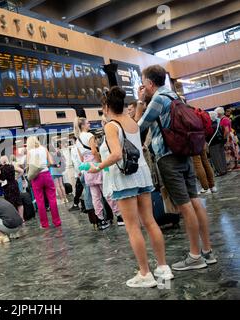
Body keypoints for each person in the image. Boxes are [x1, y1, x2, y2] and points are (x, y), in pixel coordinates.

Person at [134, 64, 217, 271]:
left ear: (150, 83)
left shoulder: (158, 100)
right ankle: (207, 250)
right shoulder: (174, 96)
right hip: (185, 154)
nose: (143, 87)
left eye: (144, 83)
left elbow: (137, 127)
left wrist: (139, 102)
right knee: (195, 200)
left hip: (168, 157)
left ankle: (195, 256)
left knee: (184, 205)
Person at [89, 86, 172, 288]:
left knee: (133, 227)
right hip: (142, 174)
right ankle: (163, 268)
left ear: (107, 107)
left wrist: (97, 166)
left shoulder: (111, 125)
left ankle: (145, 274)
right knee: (150, 222)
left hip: (124, 177)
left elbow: (116, 154)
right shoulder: (132, 122)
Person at [74, 117, 121, 230]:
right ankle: (119, 216)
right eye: (88, 123)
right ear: (83, 125)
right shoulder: (89, 136)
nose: (89, 124)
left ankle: (100, 220)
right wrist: (101, 163)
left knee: (95, 196)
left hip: (87, 168)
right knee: (107, 191)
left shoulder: (77, 139)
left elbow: (81, 157)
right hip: (96, 165)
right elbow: (94, 151)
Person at [26, 136, 62, 229]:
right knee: (52, 199)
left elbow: (28, 165)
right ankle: (57, 221)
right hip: (46, 174)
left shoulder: (29, 152)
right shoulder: (44, 149)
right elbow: (51, 162)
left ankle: (44, 224)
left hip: (36, 177)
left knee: (40, 201)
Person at [0, 156, 24, 221]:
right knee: (19, 202)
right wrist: (17, 177)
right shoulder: (12, 166)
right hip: (14, 185)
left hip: (7, 186)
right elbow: (22, 171)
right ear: (7, 160)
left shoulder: (0, 169)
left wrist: (1, 181)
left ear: (1, 162)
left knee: (10, 203)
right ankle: (21, 218)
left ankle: (14, 219)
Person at [208, 111, 228, 176]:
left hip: (213, 143)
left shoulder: (210, 125)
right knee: (222, 156)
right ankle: (224, 169)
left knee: (216, 158)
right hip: (220, 141)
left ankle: (221, 171)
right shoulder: (218, 123)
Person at [69, 137, 84, 212]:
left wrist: (78, 171)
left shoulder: (74, 149)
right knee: (82, 188)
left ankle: (76, 204)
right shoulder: (82, 146)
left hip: (80, 171)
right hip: (85, 169)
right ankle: (81, 204)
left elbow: (75, 161)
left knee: (79, 189)